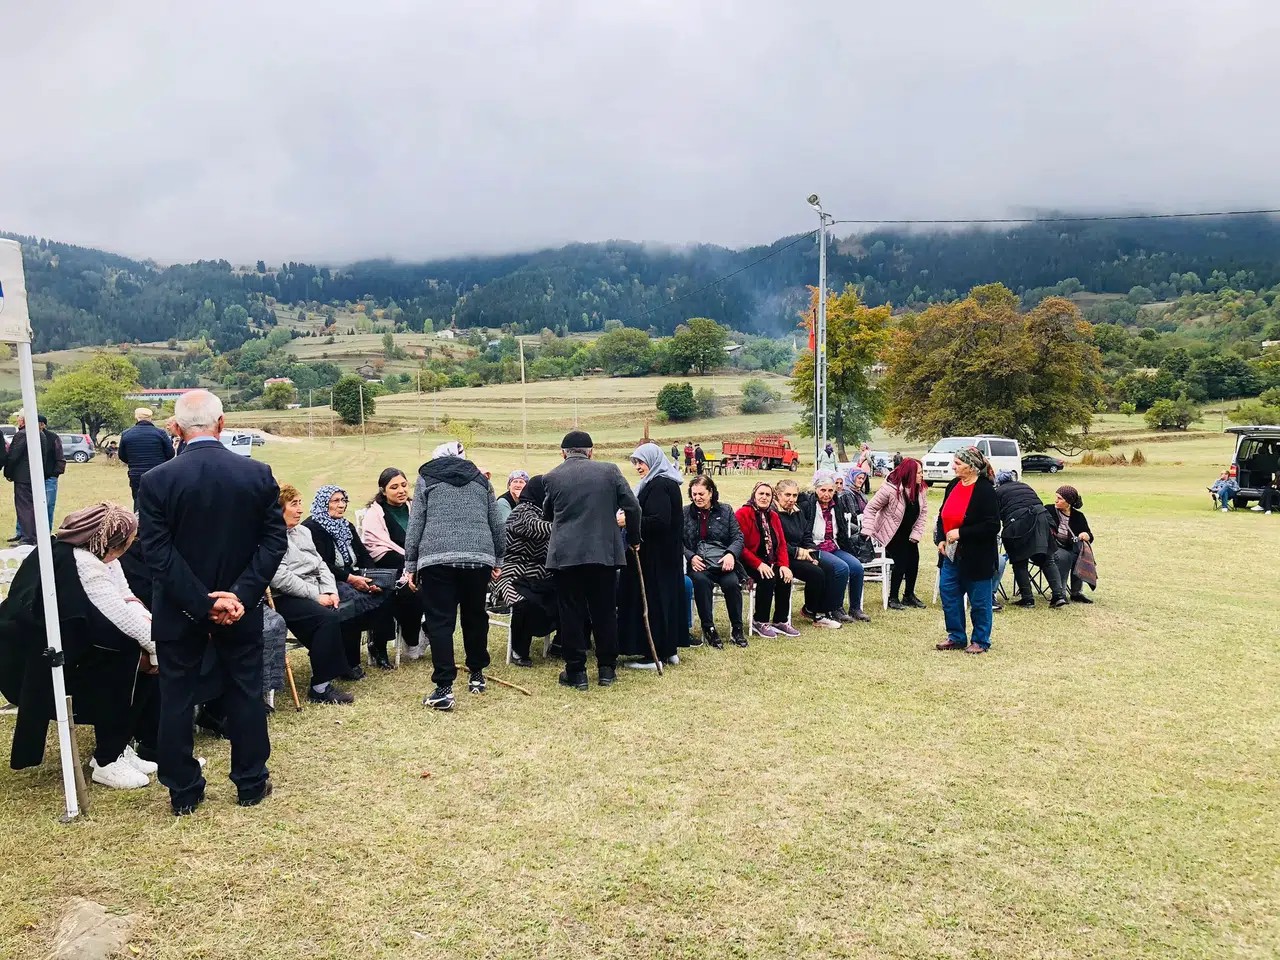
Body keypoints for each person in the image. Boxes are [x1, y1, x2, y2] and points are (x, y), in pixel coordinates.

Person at [136, 390, 287, 815]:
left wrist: (202, 603)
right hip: (239, 606)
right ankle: (251, 783)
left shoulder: (156, 480)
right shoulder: (256, 474)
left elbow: (157, 553)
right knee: (244, 690)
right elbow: (274, 542)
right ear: (222, 424)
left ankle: (183, 791)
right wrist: (239, 594)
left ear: (175, 428)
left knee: (177, 697)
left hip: (178, 609)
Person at [0, 503, 159, 789]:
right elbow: (119, 615)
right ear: (111, 542)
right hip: (42, 663)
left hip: (71, 645)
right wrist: (156, 647)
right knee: (130, 664)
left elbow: (126, 598)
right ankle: (107, 760)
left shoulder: (101, 555)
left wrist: (153, 635)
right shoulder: (84, 564)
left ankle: (118, 746)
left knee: (137, 658)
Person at [404, 441, 506, 711]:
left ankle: (444, 688)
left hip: (437, 559)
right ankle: (476, 675)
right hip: (477, 557)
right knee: (475, 616)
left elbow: (416, 522)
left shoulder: (426, 478)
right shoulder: (481, 481)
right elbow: (495, 520)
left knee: (440, 622)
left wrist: (411, 563)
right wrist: (498, 558)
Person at [542, 430, 640, 690]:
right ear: (591, 451)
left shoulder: (552, 476)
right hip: (603, 554)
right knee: (605, 611)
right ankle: (607, 669)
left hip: (566, 556)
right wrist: (634, 539)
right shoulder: (610, 471)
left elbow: (548, 513)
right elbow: (633, 507)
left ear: (563, 453)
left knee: (571, 613)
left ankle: (576, 672)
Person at [269, 485, 356, 705]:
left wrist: (330, 591)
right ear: (279, 509)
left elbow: (321, 565)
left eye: (300, 503)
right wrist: (316, 596)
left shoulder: (303, 531)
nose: (300, 510)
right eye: (294, 504)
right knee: (325, 618)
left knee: (349, 606)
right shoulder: (272, 536)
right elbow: (280, 578)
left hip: (315, 590)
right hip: (284, 597)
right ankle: (320, 687)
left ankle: (348, 665)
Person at [304, 485, 394, 672]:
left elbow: (363, 555)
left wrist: (373, 580)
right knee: (352, 601)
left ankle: (379, 647)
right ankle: (349, 662)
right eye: (335, 501)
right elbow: (322, 563)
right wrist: (351, 578)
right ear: (323, 503)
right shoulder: (311, 528)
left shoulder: (346, 525)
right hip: (328, 579)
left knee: (386, 593)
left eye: (343, 500)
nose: (341, 505)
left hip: (353, 573)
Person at [617, 443, 686, 668]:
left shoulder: (659, 484)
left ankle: (652, 654)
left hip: (655, 557)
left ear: (654, 460)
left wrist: (628, 521)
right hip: (664, 555)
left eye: (641, 461)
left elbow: (659, 521)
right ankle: (668, 648)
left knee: (653, 602)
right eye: (635, 462)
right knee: (665, 599)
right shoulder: (665, 481)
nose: (638, 466)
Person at [934, 446, 1000, 655]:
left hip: (977, 556)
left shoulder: (985, 490)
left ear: (971, 467)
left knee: (979, 601)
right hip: (951, 554)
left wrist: (962, 533)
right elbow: (942, 514)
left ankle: (980, 640)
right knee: (949, 594)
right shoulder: (953, 485)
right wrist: (941, 538)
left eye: (958, 463)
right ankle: (956, 636)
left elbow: (992, 526)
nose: (954, 466)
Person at [360, 467, 426, 661]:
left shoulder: (417, 509)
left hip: (421, 565)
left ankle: (427, 634)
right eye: (394, 487)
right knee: (414, 593)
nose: (401, 491)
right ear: (383, 490)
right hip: (392, 571)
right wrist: (411, 566)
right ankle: (412, 640)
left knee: (445, 588)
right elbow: (378, 551)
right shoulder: (375, 514)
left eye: (404, 485)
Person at [492, 475, 556, 667]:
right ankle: (519, 649)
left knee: (566, 596)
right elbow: (536, 528)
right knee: (523, 604)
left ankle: (561, 644)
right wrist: (571, 525)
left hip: (539, 573)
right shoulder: (523, 511)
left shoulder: (548, 513)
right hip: (509, 573)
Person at [682, 474, 746, 647]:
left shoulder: (725, 511)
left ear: (711, 493)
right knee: (701, 583)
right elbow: (677, 541)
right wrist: (690, 556)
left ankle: (737, 629)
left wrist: (731, 554)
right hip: (699, 564)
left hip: (723, 562)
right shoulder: (685, 513)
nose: (697, 498)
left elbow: (738, 537)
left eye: (701, 494)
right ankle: (709, 628)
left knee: (732, 583)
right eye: (694, 494)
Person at [799, 472, 871, 624]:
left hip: (833, 545)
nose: (827, 494)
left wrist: (849, 548)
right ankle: (835, 608)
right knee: (841, 568)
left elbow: (842, 529)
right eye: (823, 490)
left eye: (830, 491)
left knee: (857, 567)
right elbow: (803, 531)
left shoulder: (836, 504)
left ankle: (855, 608)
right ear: (816, 489)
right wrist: (809, 547)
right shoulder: (808, 505)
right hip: (815, 546)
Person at [860, 458, 929, 610]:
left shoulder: (921, 489)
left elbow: (923, 513)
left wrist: (916, 534)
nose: (921, 475)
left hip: (908, 532)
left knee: (914, 560)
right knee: (901, 561)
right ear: (909, 474)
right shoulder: (890, 489)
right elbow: (870, 508)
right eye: (918, 472)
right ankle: (893, 597)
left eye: (922, 472)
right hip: (890, 532)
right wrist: (868, 529)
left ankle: (909, 595)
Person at [735, 482, 800, 638]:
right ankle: (760, 621)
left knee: (784, 577)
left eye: (768, 495)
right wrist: (758, 564)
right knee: (767, 577)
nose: (764, 497)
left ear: (772, 497)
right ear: (754, 495)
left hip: (769, 560)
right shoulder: (742, 513)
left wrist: (784, 565)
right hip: (747, 562)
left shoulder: (773, 515)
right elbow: (740, 545)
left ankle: (780, 621)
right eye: (761, 494)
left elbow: (782, 544)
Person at [994, 470, 1067, 608]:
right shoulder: (1025, 485)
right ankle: (1058, 596)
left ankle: (1027, 599)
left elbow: (996, 514)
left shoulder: (998, 492)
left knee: (1019, 560)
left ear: (998, 482)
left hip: (1018, 523)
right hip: (1042, 519)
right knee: (1047, 558)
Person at [773, 478, 840, 629]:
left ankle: (817, 610)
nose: (791, 499)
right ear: (778, 494)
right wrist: (800, 552)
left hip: (802, 554)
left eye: (794, 495)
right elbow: (776, 543)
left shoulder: (797, 512)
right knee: (816, 573)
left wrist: (812, 553)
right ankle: (813, 611)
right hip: (783, 556)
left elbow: (806, 536)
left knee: (828, 568)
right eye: (787, 495)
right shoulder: (773, 513)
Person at [4, 414, 58, 546]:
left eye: (19, 419)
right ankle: (35, 536)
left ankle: (28, 538)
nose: (18, 421)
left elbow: (13, 456)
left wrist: (8, 472)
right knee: (34, 507)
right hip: (35, 476)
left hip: (23, 477)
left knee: (25, 508)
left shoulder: (23, 434)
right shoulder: (41, 435)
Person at [118, 407, 175, 507]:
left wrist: (133, 462)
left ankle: (139, 521)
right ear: (150, 418)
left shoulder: (126, 434)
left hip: (136, 474)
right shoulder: (160, 433)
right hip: (158, 473)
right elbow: (170, 454)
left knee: (138, 501)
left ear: (136, 417)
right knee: (159, 502)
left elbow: (122, 456)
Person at [1047, 485, 1095, 603]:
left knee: (1079, 555)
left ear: (1068, 502)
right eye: (1056, 497)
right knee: (1065, 557)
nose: (1056, 501)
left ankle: (1076, 592)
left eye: (1060, 498)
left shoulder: (1078, 516)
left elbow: (1090, 536)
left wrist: (1085, 535)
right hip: (1052, 547)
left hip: (1070, 547)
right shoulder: (1049, 510)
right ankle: (1060, 593)